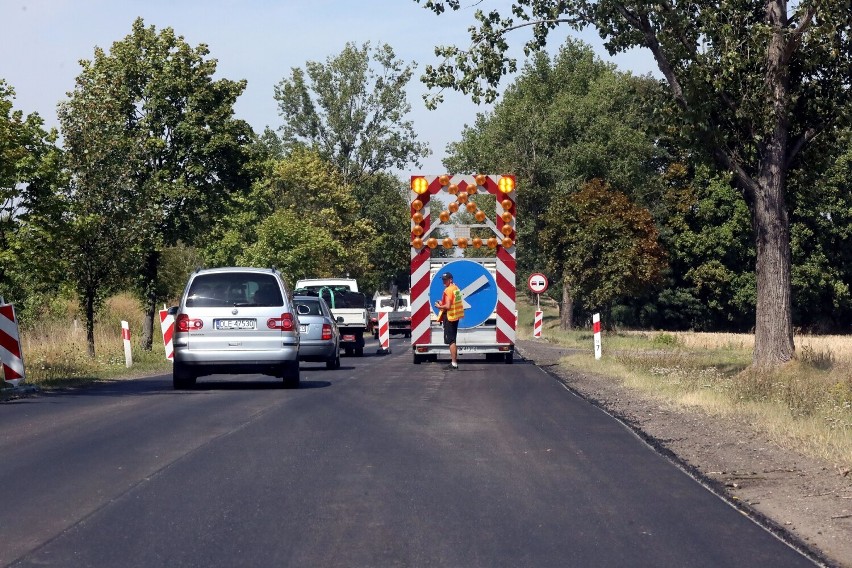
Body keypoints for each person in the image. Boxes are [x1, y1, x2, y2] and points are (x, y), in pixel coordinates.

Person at [434, 271, 464, 370]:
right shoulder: (456, 289)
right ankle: (454, 363)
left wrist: (439, 306)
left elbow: (448, 306)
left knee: (451, 341)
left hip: (450, 317)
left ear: (450, 280)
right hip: (455, 317)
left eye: (445, 279)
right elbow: (454, 302)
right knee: (453, 340)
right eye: (443, 279)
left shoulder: (448, 290)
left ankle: (454, 363)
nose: (443, 281)